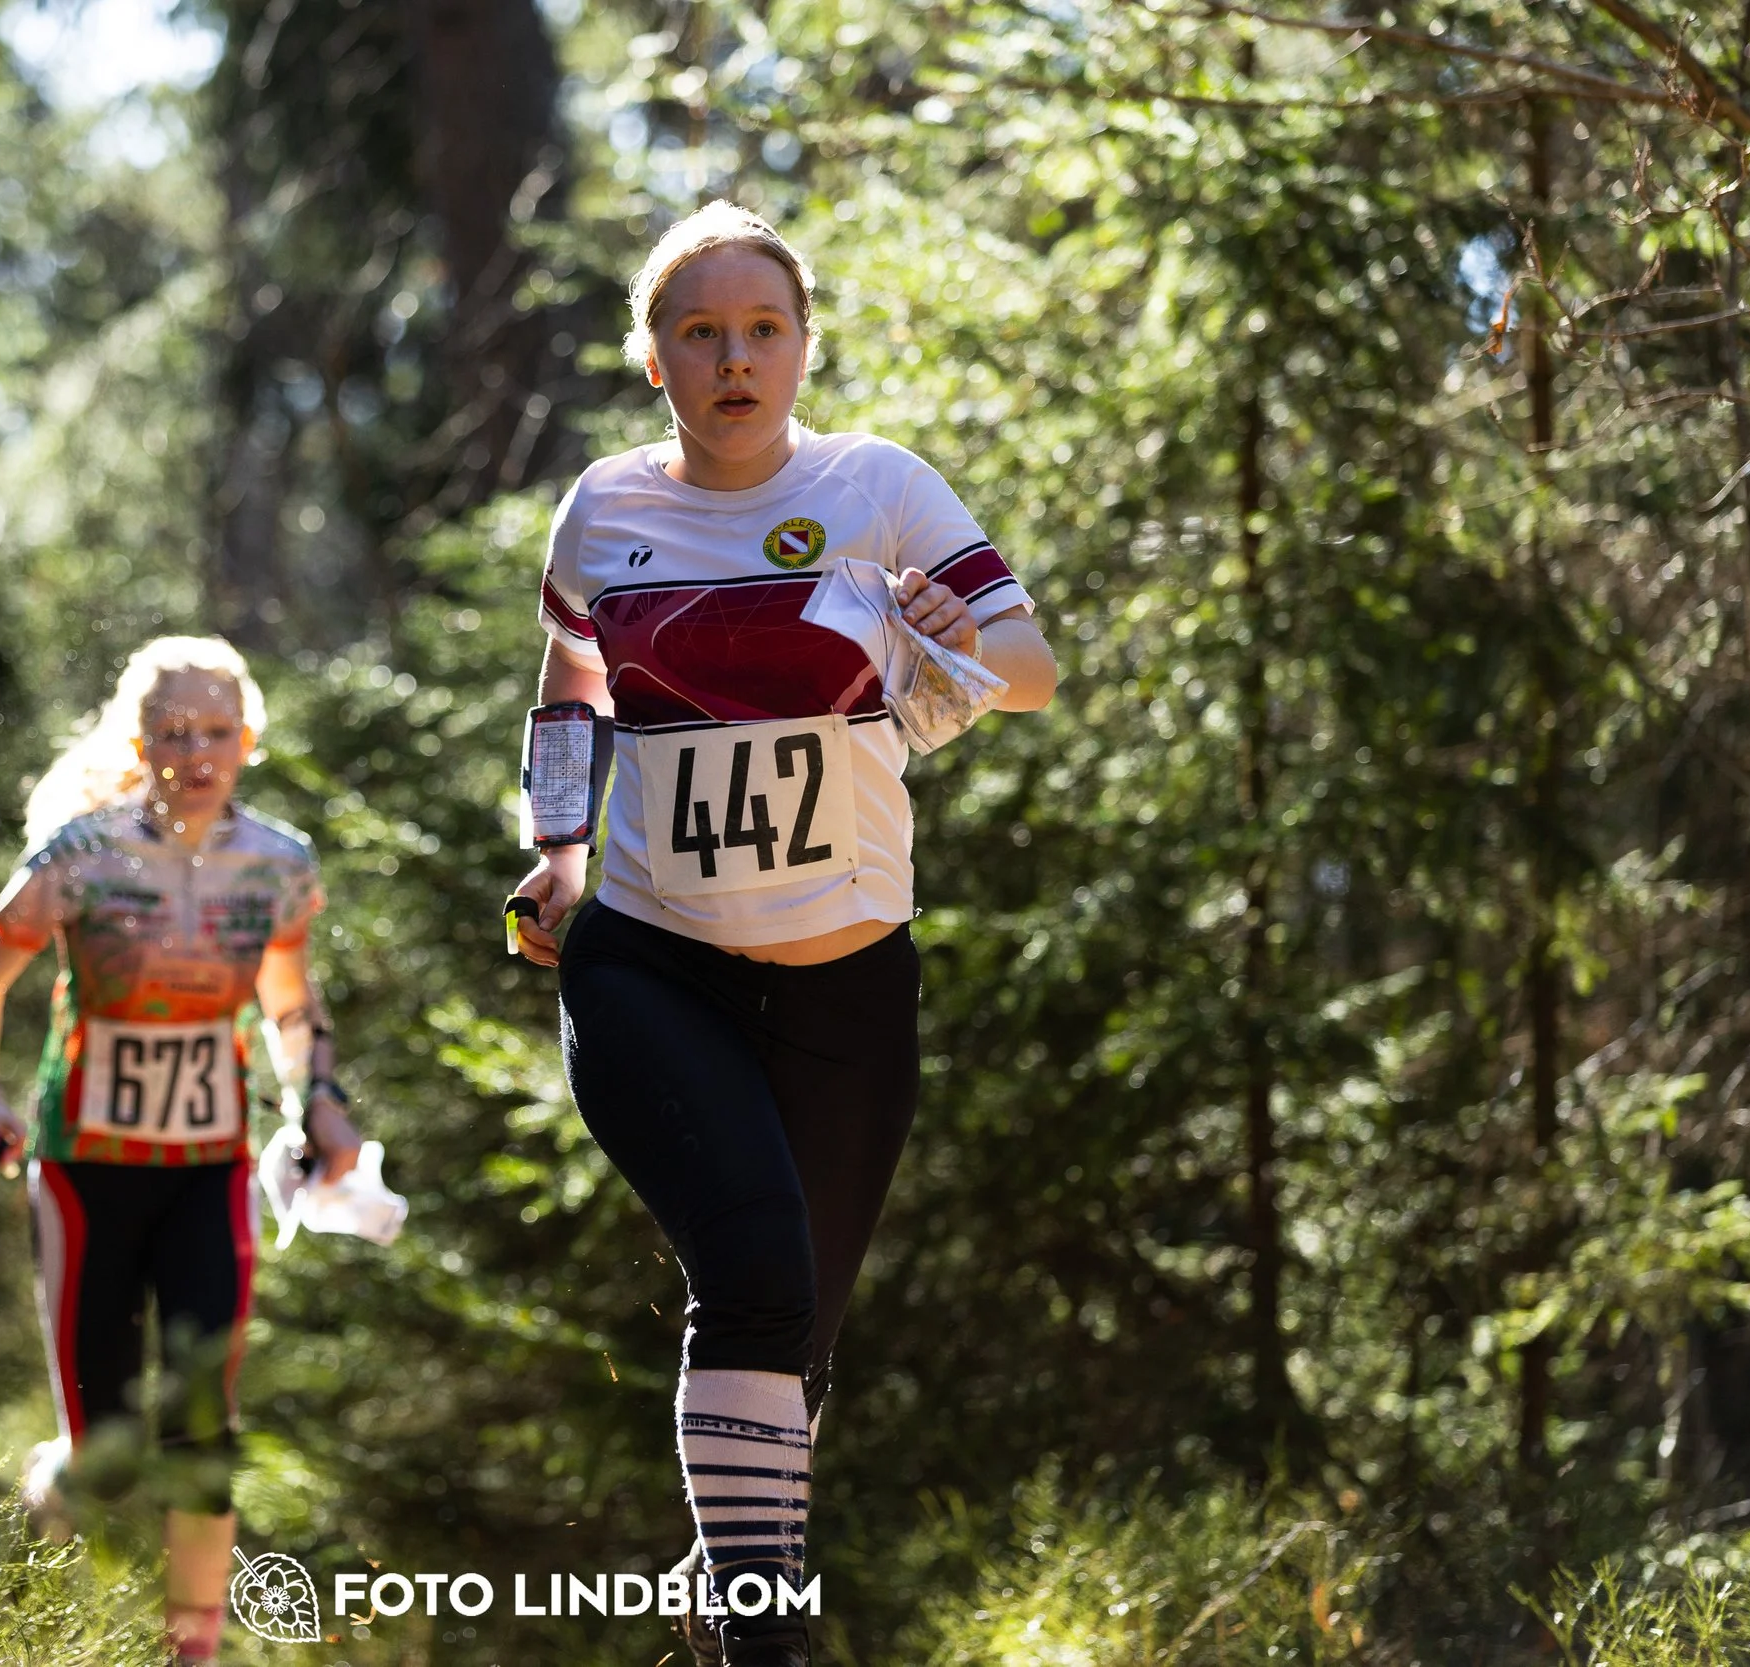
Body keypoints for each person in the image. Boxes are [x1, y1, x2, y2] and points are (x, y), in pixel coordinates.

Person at [507, 202, 1059, 1667]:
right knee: (751, 1271)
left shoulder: (879, 486)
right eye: (700, 332)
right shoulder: (601, 511)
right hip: (651, 961)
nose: (735, 358)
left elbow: (1032, 668)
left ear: (806, 346)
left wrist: (957, 631)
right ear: (654, 360)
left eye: (763, 329)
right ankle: (769, 1638)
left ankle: (725, 1576)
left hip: (845, 985)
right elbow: (571, 689)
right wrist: (558, 853)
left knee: (798, 1329)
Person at [0, 636, 360, 1667]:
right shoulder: (80, 855)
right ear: (140, 746)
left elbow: (290, 1006)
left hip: (208, 1172)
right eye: (173, 732)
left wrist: (320, 1101)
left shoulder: (278, 862)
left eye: (217, 730)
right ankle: (52, 1490)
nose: (196, 752)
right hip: (84, 1172)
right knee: (112, 1454)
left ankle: (193, 1655)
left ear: (249, 740)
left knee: (203, 1432)